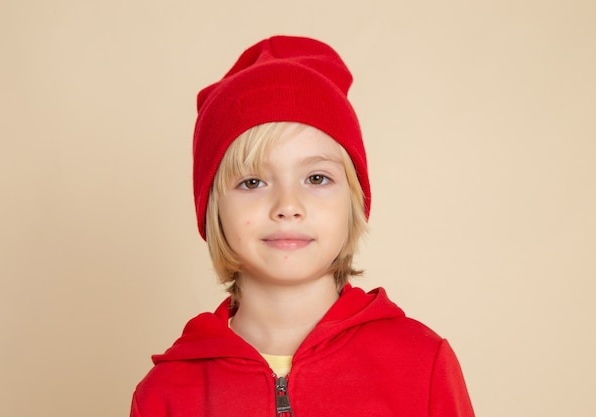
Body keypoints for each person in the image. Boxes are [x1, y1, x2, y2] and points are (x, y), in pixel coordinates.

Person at [130, 35, 475, 417]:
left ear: (353, 200)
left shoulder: (422, 364)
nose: (288, 207)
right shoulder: (165, 395)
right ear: (212, 208)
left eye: (316, 179)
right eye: (252, 182)